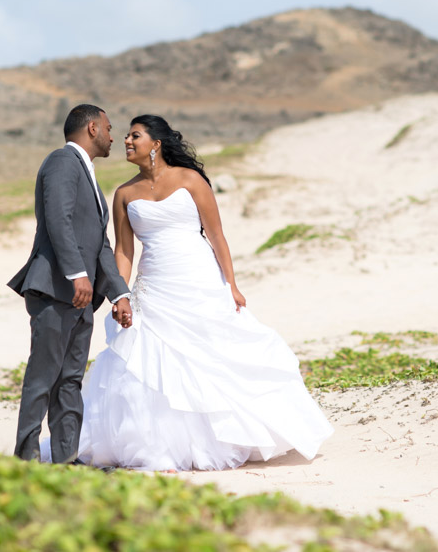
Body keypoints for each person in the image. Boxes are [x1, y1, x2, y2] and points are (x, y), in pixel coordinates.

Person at [72, 114, 333, 470]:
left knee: (216, 355)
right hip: (155, 287)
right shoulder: (124, 194)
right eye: (127, 137)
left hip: (199, 281)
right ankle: (159, 448)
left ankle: (232, 435)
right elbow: (124, 251)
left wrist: (232, 284)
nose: (127, 142)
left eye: (135, 136)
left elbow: (217, 235)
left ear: (157, 144)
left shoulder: (191, 180)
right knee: (149, 365)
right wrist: (121, 294)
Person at [7, 104, 133, 464]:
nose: (114, 136)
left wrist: (119, 292)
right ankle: (25, 461)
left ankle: (66, 461)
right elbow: (58, 221)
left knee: (70, 382)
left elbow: (101, 244)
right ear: (92, 128)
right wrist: (77, 274)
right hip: (55, 289)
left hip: (82, 297)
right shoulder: (62, 162)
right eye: (109, 128)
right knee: (42, 378)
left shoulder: (88, 173)